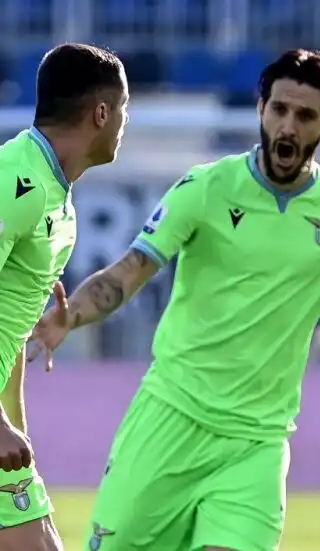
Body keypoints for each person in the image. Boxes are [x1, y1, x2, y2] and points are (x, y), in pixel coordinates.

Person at [29, 49, 320, 551]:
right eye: (279, 109)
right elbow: (129, 271)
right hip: (170, 420)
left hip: (257, 444)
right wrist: (70, 317)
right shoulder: (207, 187)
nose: (288, 126)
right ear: (261, 110)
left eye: (305, 116)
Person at [0, 43, 129, 551]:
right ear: (101, 113)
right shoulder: (18, 180)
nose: (124, 123)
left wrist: (14, 425)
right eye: (123, 108)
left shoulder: (60, 203)